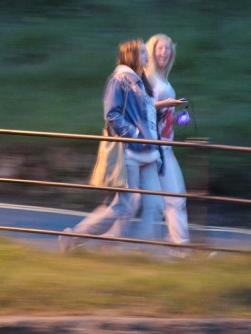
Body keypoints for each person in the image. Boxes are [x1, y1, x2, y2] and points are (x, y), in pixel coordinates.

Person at [58, 39, 165, 252]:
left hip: (148, 151)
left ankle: (143, 251)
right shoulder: (119, 80)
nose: (148, 55)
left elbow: (143, 116)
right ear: (132, 55)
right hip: (130, 152)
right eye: (143, 52)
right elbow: (112, 114)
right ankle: (73, 237)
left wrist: (160, 120)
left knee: (155, 204)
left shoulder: (139, 82)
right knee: (123, 205)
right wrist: (135, 135)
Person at [144, 33, 190, 247]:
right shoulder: (147, 78)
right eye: (160, 48)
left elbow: (164, 116)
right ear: (152, 51)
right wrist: (167, 104)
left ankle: (178, 246)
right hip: (156, 148)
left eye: (167, 48)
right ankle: (179, 247)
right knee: (173, 198)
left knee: (173, 199)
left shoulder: (163, 79)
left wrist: (179, 118)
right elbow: (143, 109)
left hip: (165, 146)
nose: (164, 52)